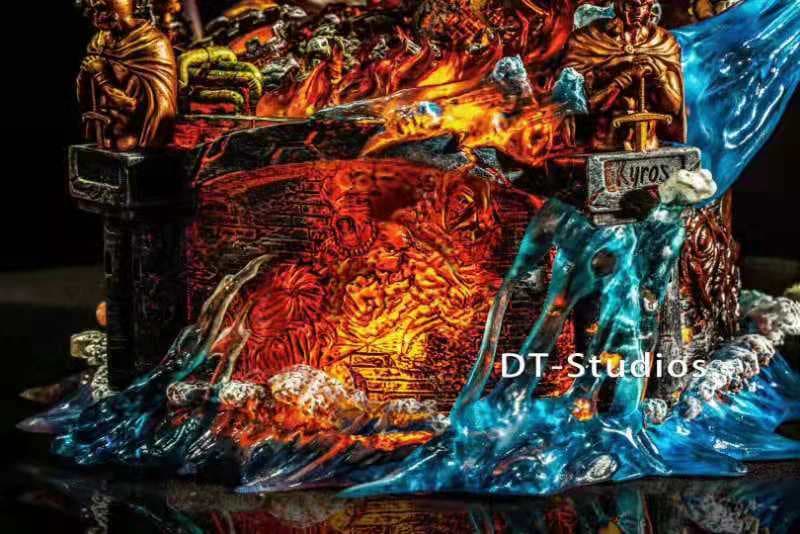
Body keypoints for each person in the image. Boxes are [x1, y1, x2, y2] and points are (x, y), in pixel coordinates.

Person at [78, 0, 178, 151]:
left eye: (102, 9)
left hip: (130, 135)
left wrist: (101, 77)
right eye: (93, 11)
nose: (97, 17)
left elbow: (143, 106)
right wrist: (87, 75)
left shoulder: (153, 44)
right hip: (105, 133)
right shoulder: (98, 43)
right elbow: (87, 96)